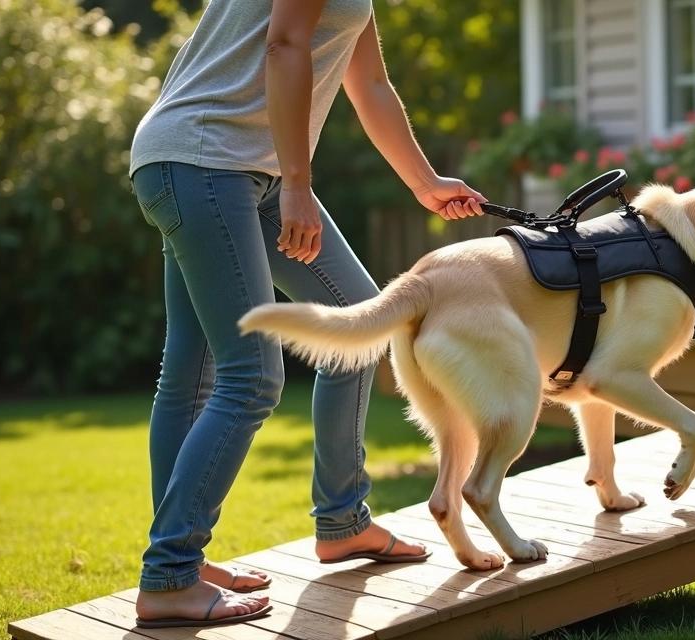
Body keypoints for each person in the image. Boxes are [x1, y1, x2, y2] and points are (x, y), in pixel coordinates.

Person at [126, 0, 486, 628]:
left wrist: (425, 184)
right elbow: (285, 45)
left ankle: (341, 523)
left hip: (225, 165)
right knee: (250, 376)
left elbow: (368, 82)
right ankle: (170, 574)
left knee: (355, 322)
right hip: (209, 160)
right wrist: (297, 181)